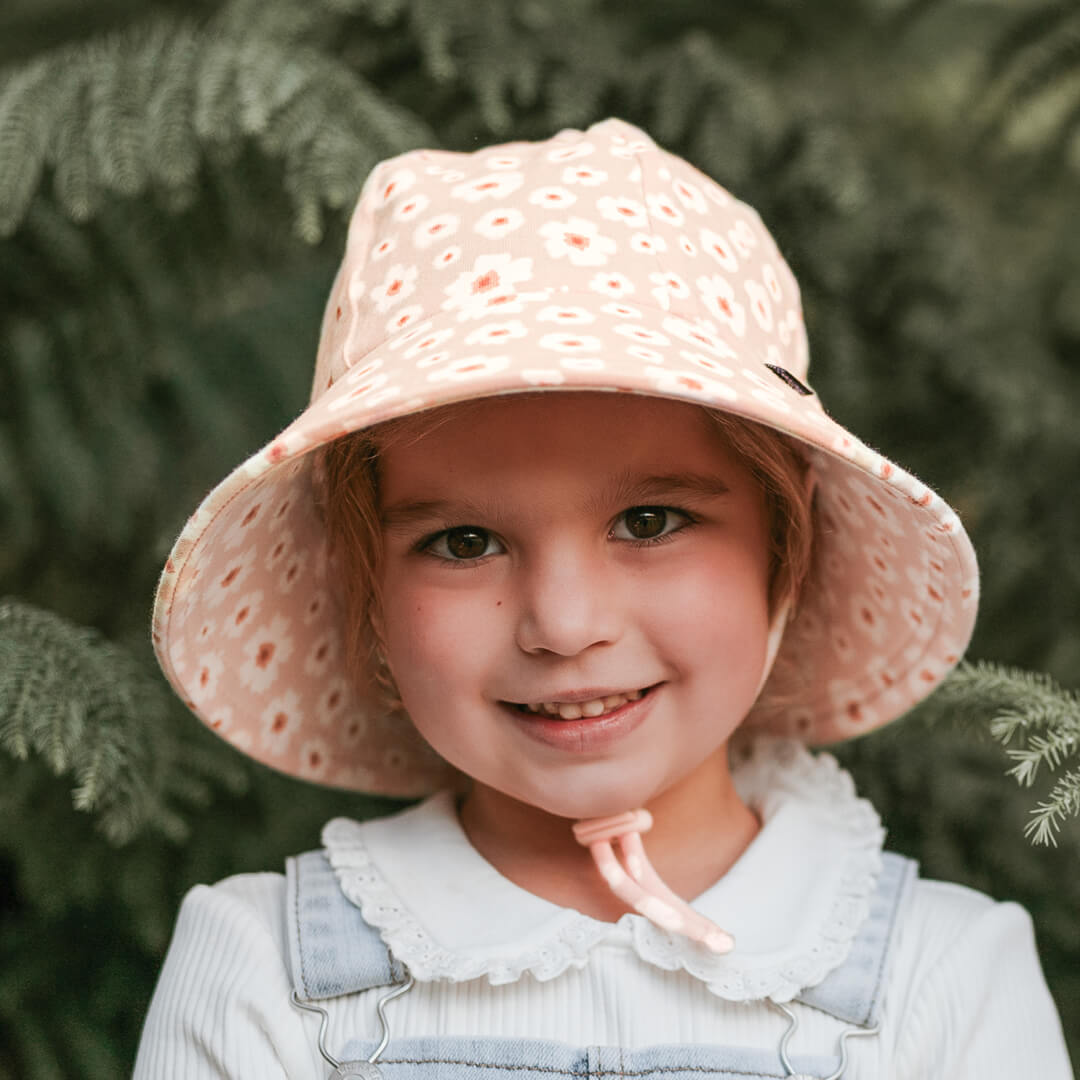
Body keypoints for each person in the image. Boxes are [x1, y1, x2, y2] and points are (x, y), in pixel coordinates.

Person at [134, 118, 1072, 1079]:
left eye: (651, 522)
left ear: (787, 551)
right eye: (464, 542)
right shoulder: (265, 974)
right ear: (368, 589)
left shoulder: (945, 980)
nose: (566, 626)